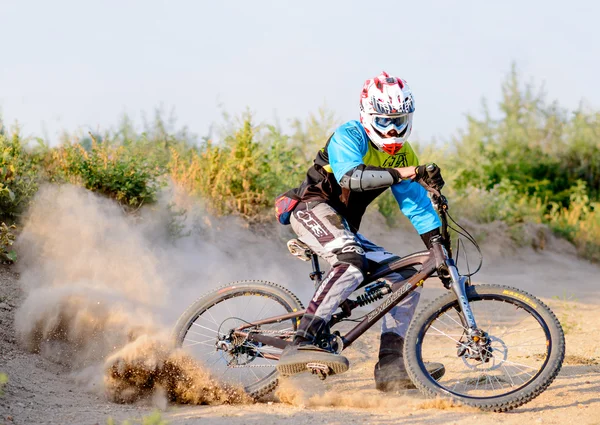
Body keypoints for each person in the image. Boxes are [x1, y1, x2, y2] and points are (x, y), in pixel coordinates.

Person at [275, 71, 445, 391]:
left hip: (342, 223)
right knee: (351, 261)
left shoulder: (404, 154)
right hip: (310, 208)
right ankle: (303, 340)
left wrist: (440, 250)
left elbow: (418, 208)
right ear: (368, 115)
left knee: (408, 274)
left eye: (399, 120)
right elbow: (352, 177)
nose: (393, 129)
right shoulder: (349, 135)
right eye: (384, 120)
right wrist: (408, 172)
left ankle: (392, 366)